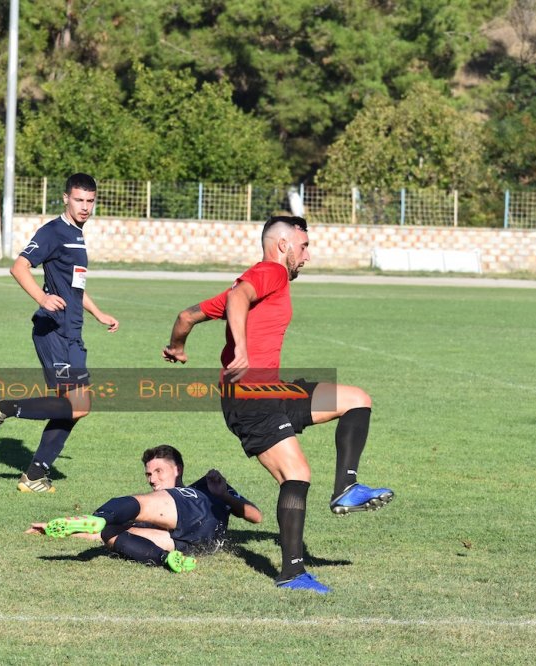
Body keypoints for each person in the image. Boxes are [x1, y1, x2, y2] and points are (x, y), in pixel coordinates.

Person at [162, 215, 393, 594]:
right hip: (249, 397)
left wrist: (177, 347)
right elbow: (239, 297)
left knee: (356, 400)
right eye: (304, 246)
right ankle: (291, 572)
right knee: (296, 475)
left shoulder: (256, 279)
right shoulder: (270, 271)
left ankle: (347, 487)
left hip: (272, 389)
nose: (307, 255)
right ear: (283, 245)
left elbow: (186, 316)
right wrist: (240, 348)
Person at [0, 173, 119, 492]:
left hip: (71, 333)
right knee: (78, 405)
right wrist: (42, 298)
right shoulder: (54, 232)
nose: (85, 207)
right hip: (53, 330)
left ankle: (34, 476)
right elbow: (19, 267)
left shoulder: (77, 236)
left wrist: (98, 313)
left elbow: (75, 287)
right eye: (79, 200)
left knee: (74, 408)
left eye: (90, 201)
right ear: (65, 198)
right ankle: (1, 408)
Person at [33, 445, 262, 573]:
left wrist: (223, 495)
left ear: (178, 470)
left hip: (194, 512)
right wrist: (60, 528)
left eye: (159, 471)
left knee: (133, 505)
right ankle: (166, 559)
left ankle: (100, 515)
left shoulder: (203, 488)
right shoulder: (150, 513)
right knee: (109, 534)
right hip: (193, 545)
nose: (152, 479)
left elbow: (256, 516)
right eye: (149, 474)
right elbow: (95, 534)